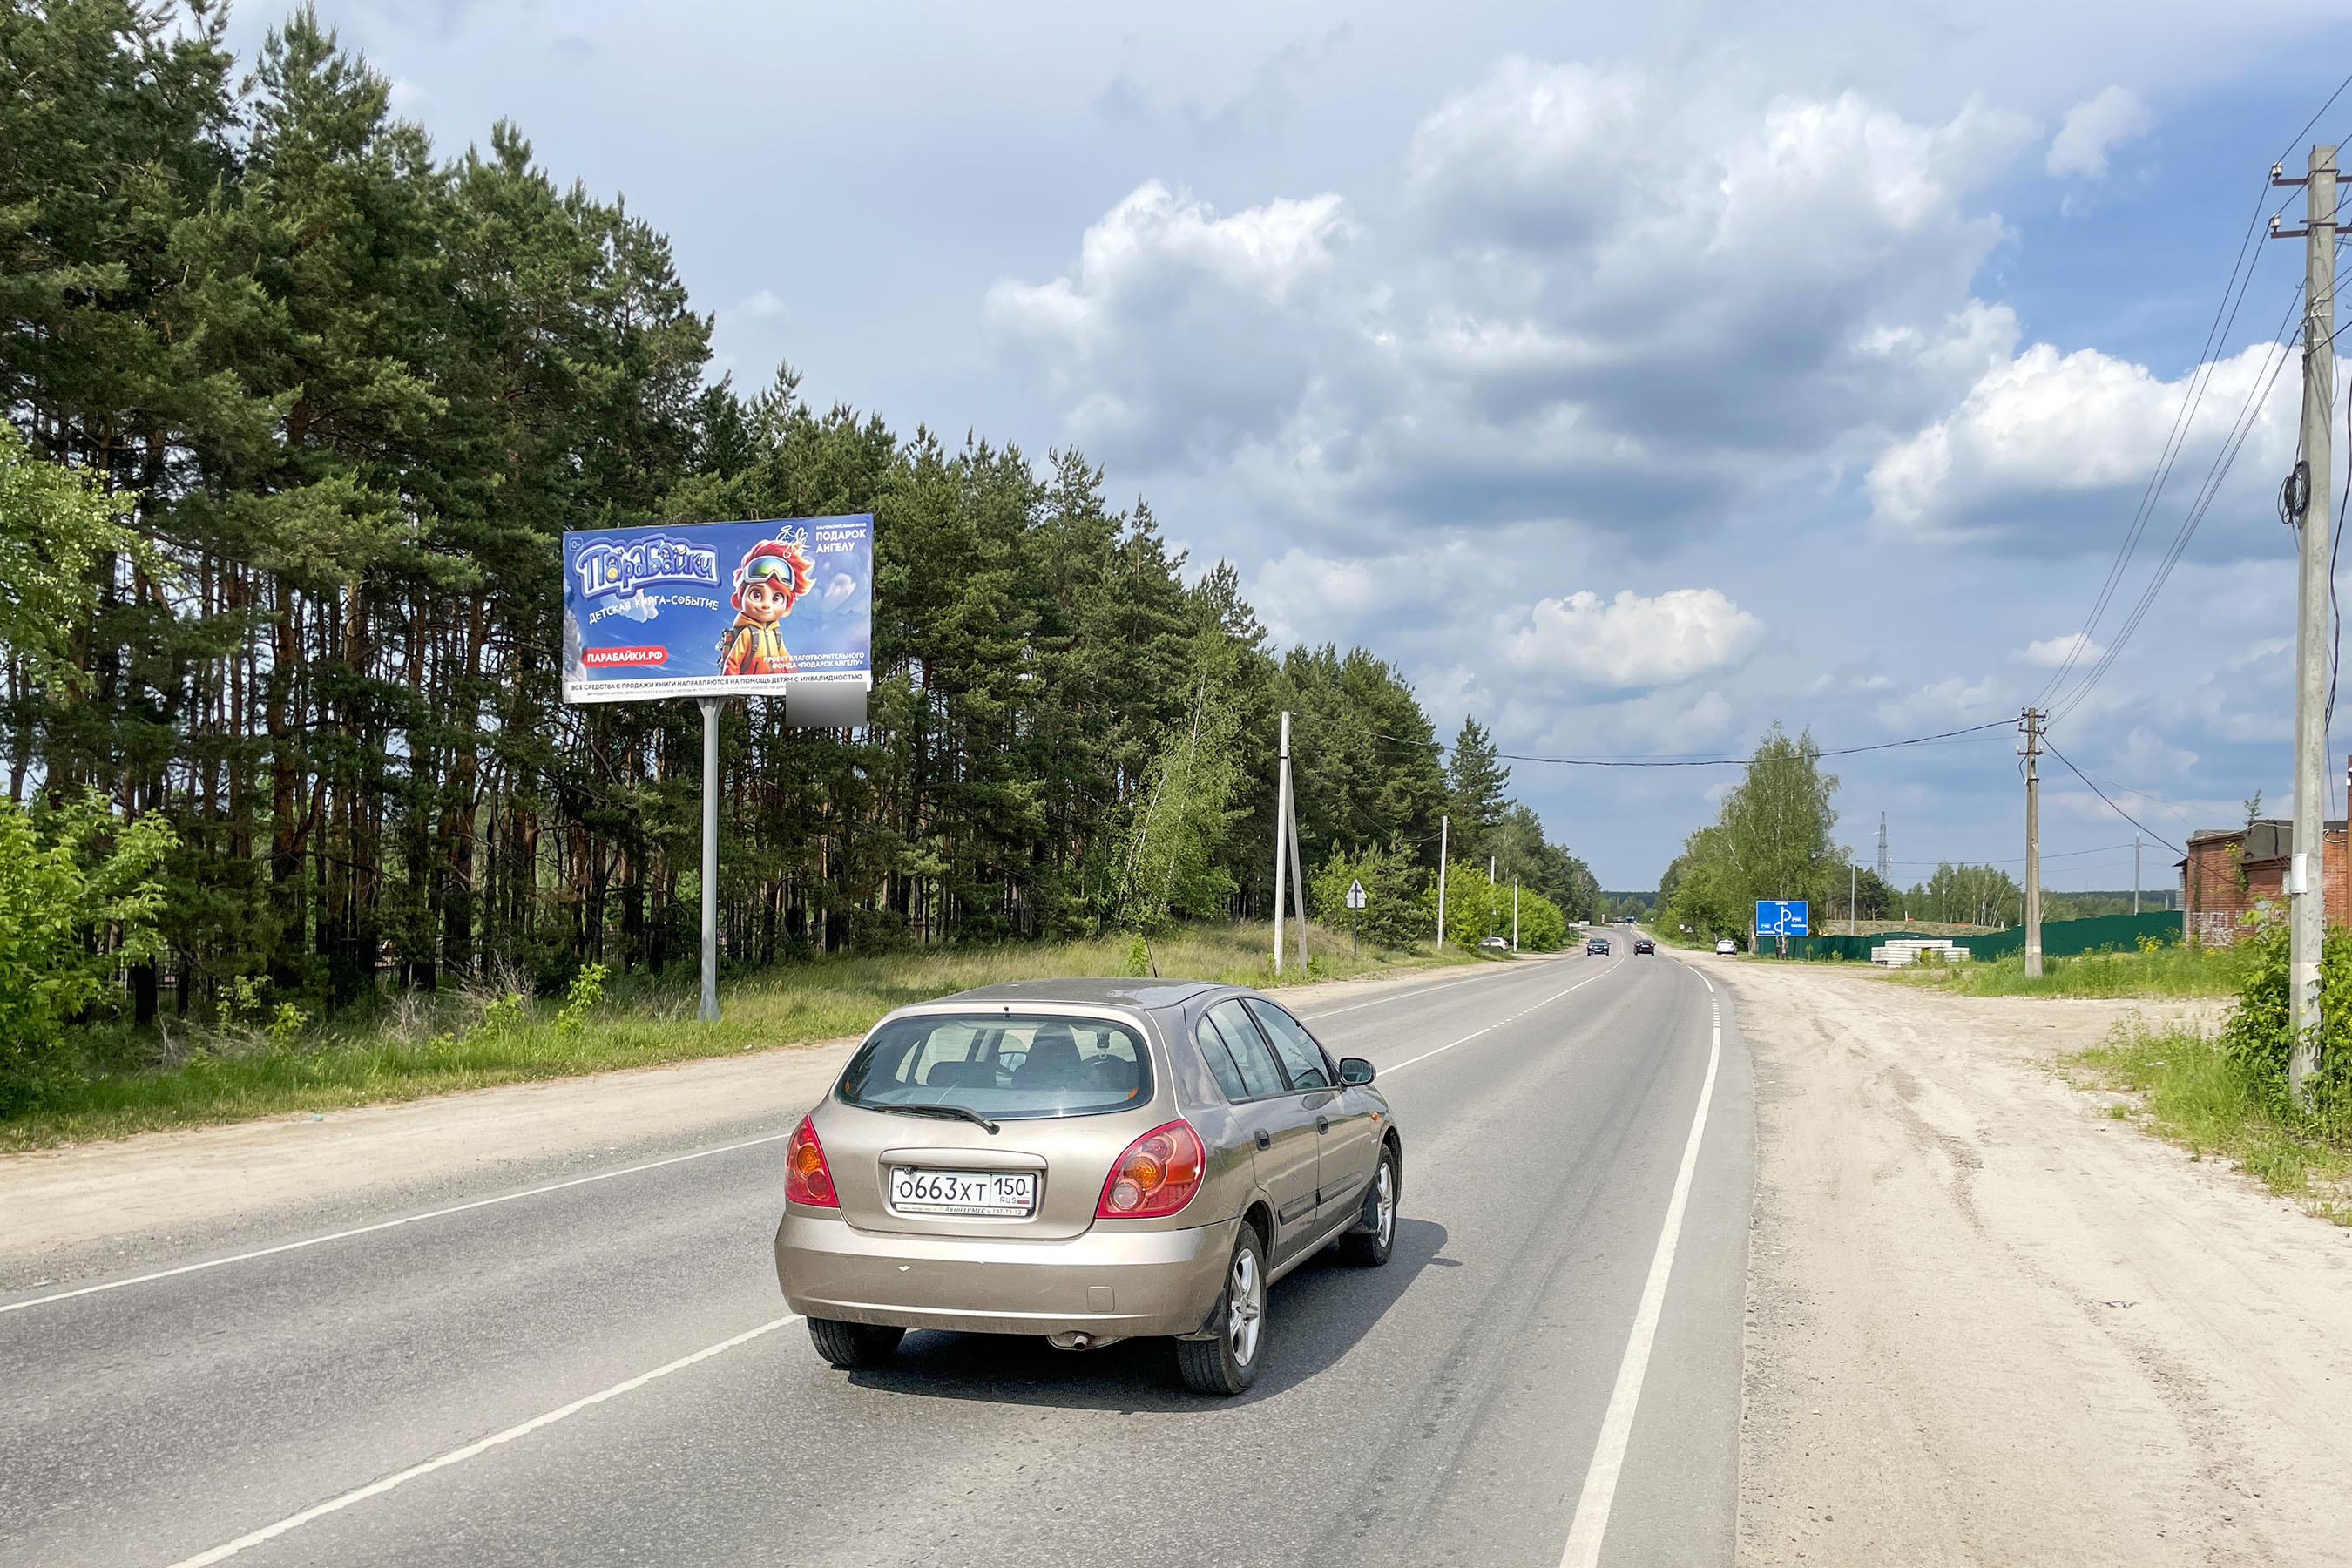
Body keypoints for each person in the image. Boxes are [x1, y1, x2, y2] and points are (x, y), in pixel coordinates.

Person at [718, 536, 814, 675]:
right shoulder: (747, 634)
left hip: (777, 691)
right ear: (738, 601)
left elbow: (787, 663)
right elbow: (732, 664)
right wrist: (733, 689)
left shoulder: (776, 636)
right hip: (751, 690)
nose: (766, 605)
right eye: (756, 595)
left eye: (776, 597)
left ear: (787, 608)